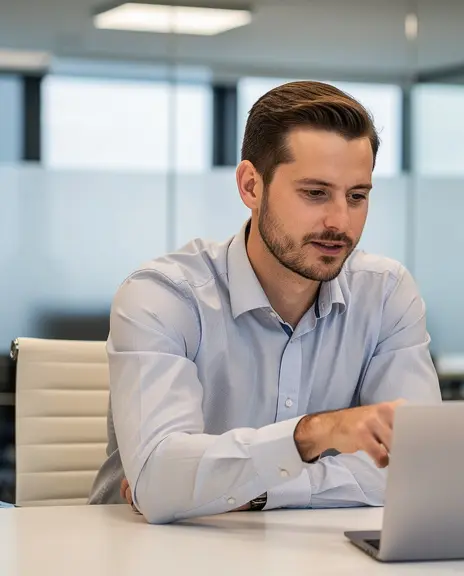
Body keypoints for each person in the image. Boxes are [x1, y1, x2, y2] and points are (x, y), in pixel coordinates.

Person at [88, 81, 441, 524]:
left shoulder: (386, 294)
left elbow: (421, 466)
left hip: (308, 553)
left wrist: (255, 490)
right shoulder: (163, 296)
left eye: (357, 196)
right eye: (315, 193)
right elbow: (159, 479)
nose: (340, 221)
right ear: (251, 186)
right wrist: (312, 436)